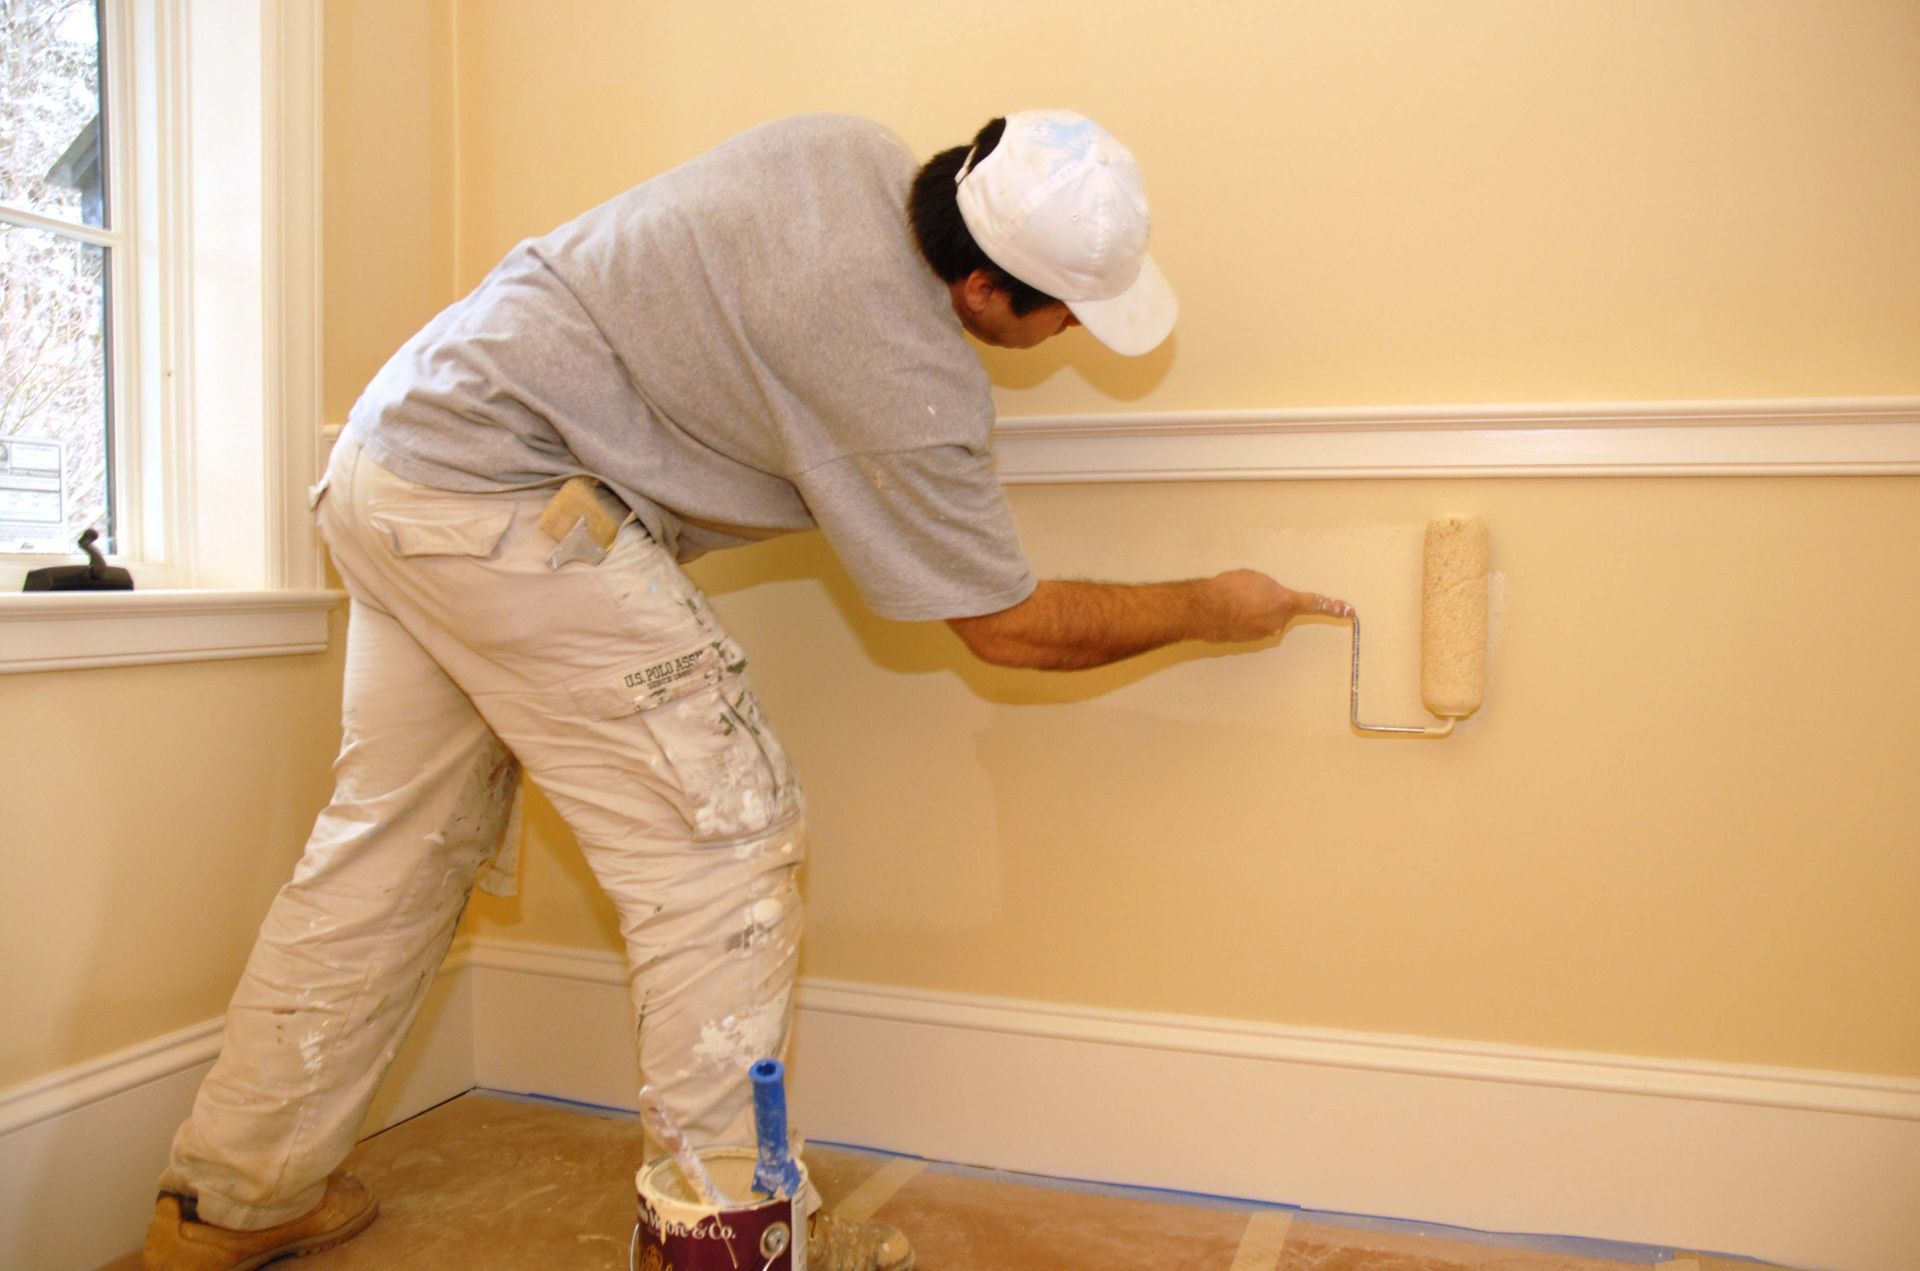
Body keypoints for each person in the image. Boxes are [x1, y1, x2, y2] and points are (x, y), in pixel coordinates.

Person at [141, 109, 1352, 1270]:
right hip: (509, 499)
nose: (1074, 336)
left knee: (391, 841)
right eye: (1070, 315)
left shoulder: (839, 148)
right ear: (985, 292)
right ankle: (723, 1242)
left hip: (395, 457)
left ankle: (235, 1197)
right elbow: (1011, 629)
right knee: (724, 850)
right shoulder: (908, 382)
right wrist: (1214, 606)